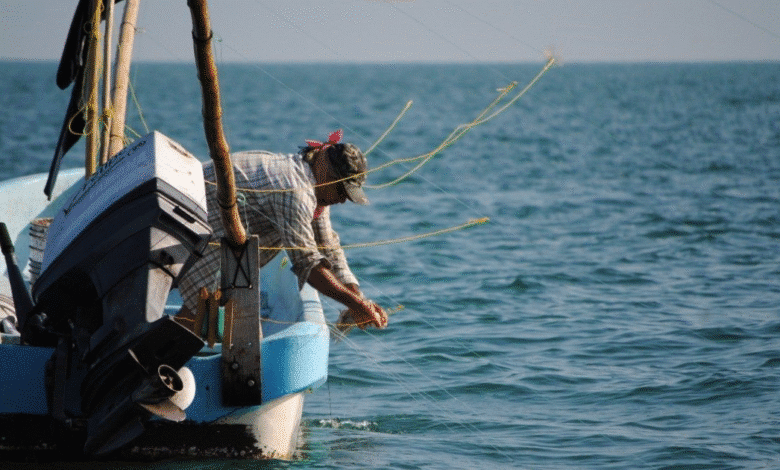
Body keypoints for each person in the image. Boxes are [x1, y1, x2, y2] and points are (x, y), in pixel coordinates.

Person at [177, 131, 388, 330]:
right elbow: (308, 263)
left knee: (207, 300)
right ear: (325, 170)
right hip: (189, 213)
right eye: (342, 191)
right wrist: (355, 304)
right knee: (203, 303)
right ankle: (154, 359)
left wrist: (360, 300)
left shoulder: (314, 187)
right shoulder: (296, 192)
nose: (342, 200)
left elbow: (328, 247)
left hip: (213, 225)